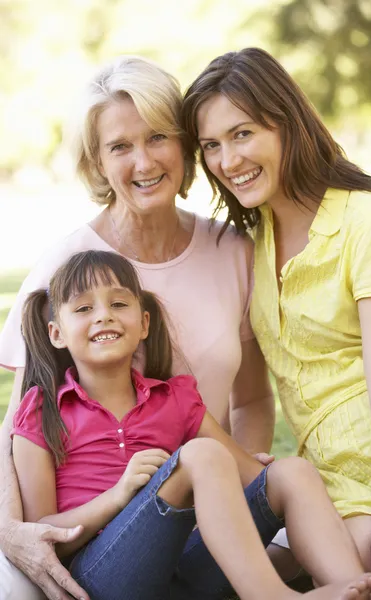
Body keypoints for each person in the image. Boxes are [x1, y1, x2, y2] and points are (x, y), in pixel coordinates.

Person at [0, 56, 275, 599]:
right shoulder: (70, 267)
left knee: (313, 516)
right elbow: (17, 431)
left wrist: (237, 505)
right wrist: (12, 532)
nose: (143, 161)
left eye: (158, 138)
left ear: (186, 146)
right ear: (97, 162)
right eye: (120, 146)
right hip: (98, 531)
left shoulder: (232, 251)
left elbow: (252, 403)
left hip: (206, 507)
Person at [11, 249, 371, 600]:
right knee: (202, 454)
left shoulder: (174, 399)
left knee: (291, 472)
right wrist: (118, 496)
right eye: (82, 309)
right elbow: (44, 533)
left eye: (118, 303)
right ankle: (271, 596)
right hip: (101, 577)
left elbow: (254, 480)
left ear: (143, 323)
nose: (103, 315)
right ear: (56, 334)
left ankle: (352, 585)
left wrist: (248, 479)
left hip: (184, 569)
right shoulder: (43, 409)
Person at [181, 46, 371, 585]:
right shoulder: (249, 246)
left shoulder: (369, 221)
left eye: (243, 134)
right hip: (318, 486)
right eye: (211, 145)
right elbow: (250, 398)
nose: (228, 161)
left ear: (287, 125)